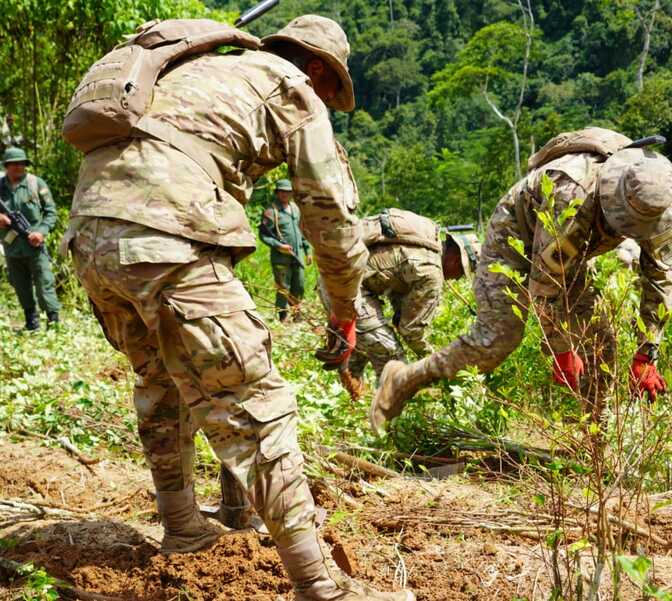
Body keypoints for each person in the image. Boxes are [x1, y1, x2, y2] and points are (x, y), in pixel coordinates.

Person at [63, 14, 412, 601]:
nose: (328, 100)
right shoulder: (292, 88)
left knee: (162, 383)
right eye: (333, 89)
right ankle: (320, 587)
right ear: (320, 69)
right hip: (164, 236)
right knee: (255, 401)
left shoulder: (200, 70)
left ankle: (182, 529)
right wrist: (345, 310)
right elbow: (330, 219)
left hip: (91, 239)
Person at [370, 128, 672, 433]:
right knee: (497, 338)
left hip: (572, 251)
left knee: (600, 344)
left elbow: (660, 279)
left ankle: (593, 441)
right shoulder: (571, 194)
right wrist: (560, 349)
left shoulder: (660, 198)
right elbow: (545, 284)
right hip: (515, 235)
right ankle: (403, 380)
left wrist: (646, 353)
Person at [322, 210, 480, 382]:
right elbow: (411, 330)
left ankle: (351, 398)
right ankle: (387, 405)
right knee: (393, 358)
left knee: (367, 345)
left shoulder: (424, 244)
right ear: (455, 260)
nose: (457, 278)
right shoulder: (431, 274)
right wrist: (435, 362)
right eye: (461, 273)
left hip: (335, 278)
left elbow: (394, 286)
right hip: (346, 288)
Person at [0, 146, 61, 330]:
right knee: (20, 285)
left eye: (22, 164)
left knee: (44, 283)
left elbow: (51, 213)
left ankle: (53, 322)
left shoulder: (36, 183)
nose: (19, 167)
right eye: (14, 164)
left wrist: (41, 232)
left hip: (34, 243)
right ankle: (31, 322)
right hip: (11, 246)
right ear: (6, 166)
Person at [260, 179, 311, 322]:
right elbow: (263, 235)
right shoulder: (271, 212)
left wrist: (307, 251)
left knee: (299, 285)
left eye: (288, 192)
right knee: (283, 287)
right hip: (281, 257)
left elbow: (302, 231)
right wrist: (279, 246)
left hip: (297, 255)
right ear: (277, 193)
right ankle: (282, 316)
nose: (285, 194)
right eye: (282, 191)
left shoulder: (295, 209)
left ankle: (297, 313)